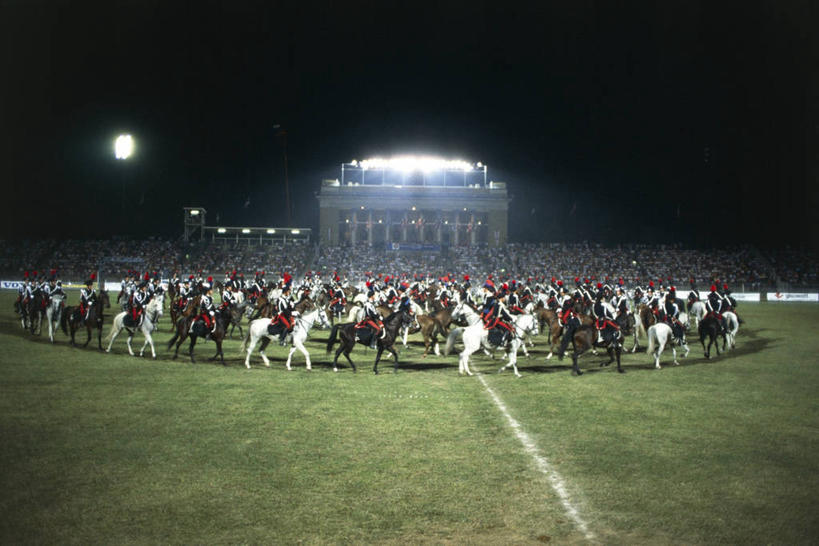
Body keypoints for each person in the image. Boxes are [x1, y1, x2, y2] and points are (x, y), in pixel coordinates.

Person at [481, 280, 514, 345]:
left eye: (484, 288)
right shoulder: (497, 302)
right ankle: (502, 341)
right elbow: (504, 314)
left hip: (492, 316)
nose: (482, 289)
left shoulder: (493, 298)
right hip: (494, 317)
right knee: (507, 329)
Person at [556, 291, 582, 359]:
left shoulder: (569, 301)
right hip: (573, 319)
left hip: (570, 319)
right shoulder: (574, 302)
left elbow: (565, 309)